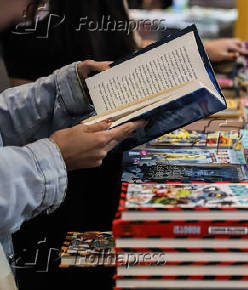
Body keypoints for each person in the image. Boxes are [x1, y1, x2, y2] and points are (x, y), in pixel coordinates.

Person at [0, 0, 146, 287]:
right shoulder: (32, 24)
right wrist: (56, 155)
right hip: (58, 201)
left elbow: (6, 114)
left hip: (87, 173)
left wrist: (69, 87)